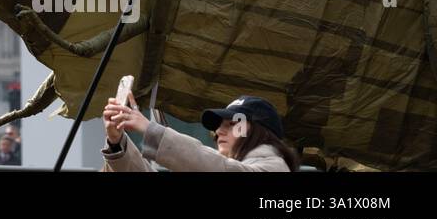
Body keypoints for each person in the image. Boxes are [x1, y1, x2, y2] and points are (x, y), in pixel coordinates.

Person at [101, 93, 299, 172]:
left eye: (232, 124)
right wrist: (117, 142)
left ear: (259, 130)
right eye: (219, 125)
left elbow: (220, 168)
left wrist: (149, 129)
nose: (218, 131)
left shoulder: (275, 167)